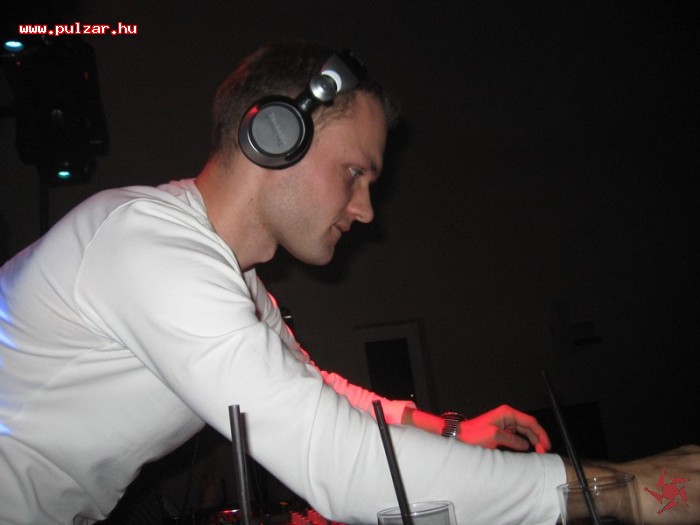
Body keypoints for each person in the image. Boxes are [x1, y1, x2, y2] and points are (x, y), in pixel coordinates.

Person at [0, 41, 697, 525]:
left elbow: (321, 392)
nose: (365, 210)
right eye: (355, 172)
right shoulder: (145, 243)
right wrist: (619, 491)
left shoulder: (236, 285)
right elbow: (337, 462)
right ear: (275, 135)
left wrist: (453, 428)